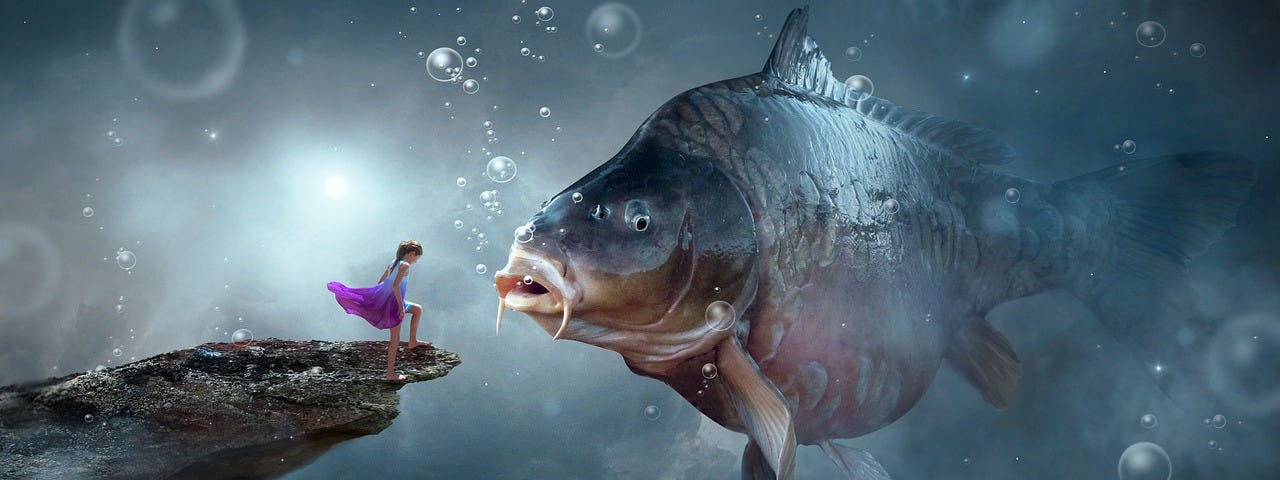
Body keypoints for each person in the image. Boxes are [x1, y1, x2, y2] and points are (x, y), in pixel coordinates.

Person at [327, 240, 430, 381]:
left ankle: (412, 341)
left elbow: (381, 281)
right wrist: (399, 306)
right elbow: (395, 286)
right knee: (395, 339)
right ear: (412, 254)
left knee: (418, 309)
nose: (416, 262)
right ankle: (390, 374)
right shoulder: (405, 265)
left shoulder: (394, 262)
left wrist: (381, 297)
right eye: (417, 259)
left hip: (390, 299)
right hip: (394, 303)